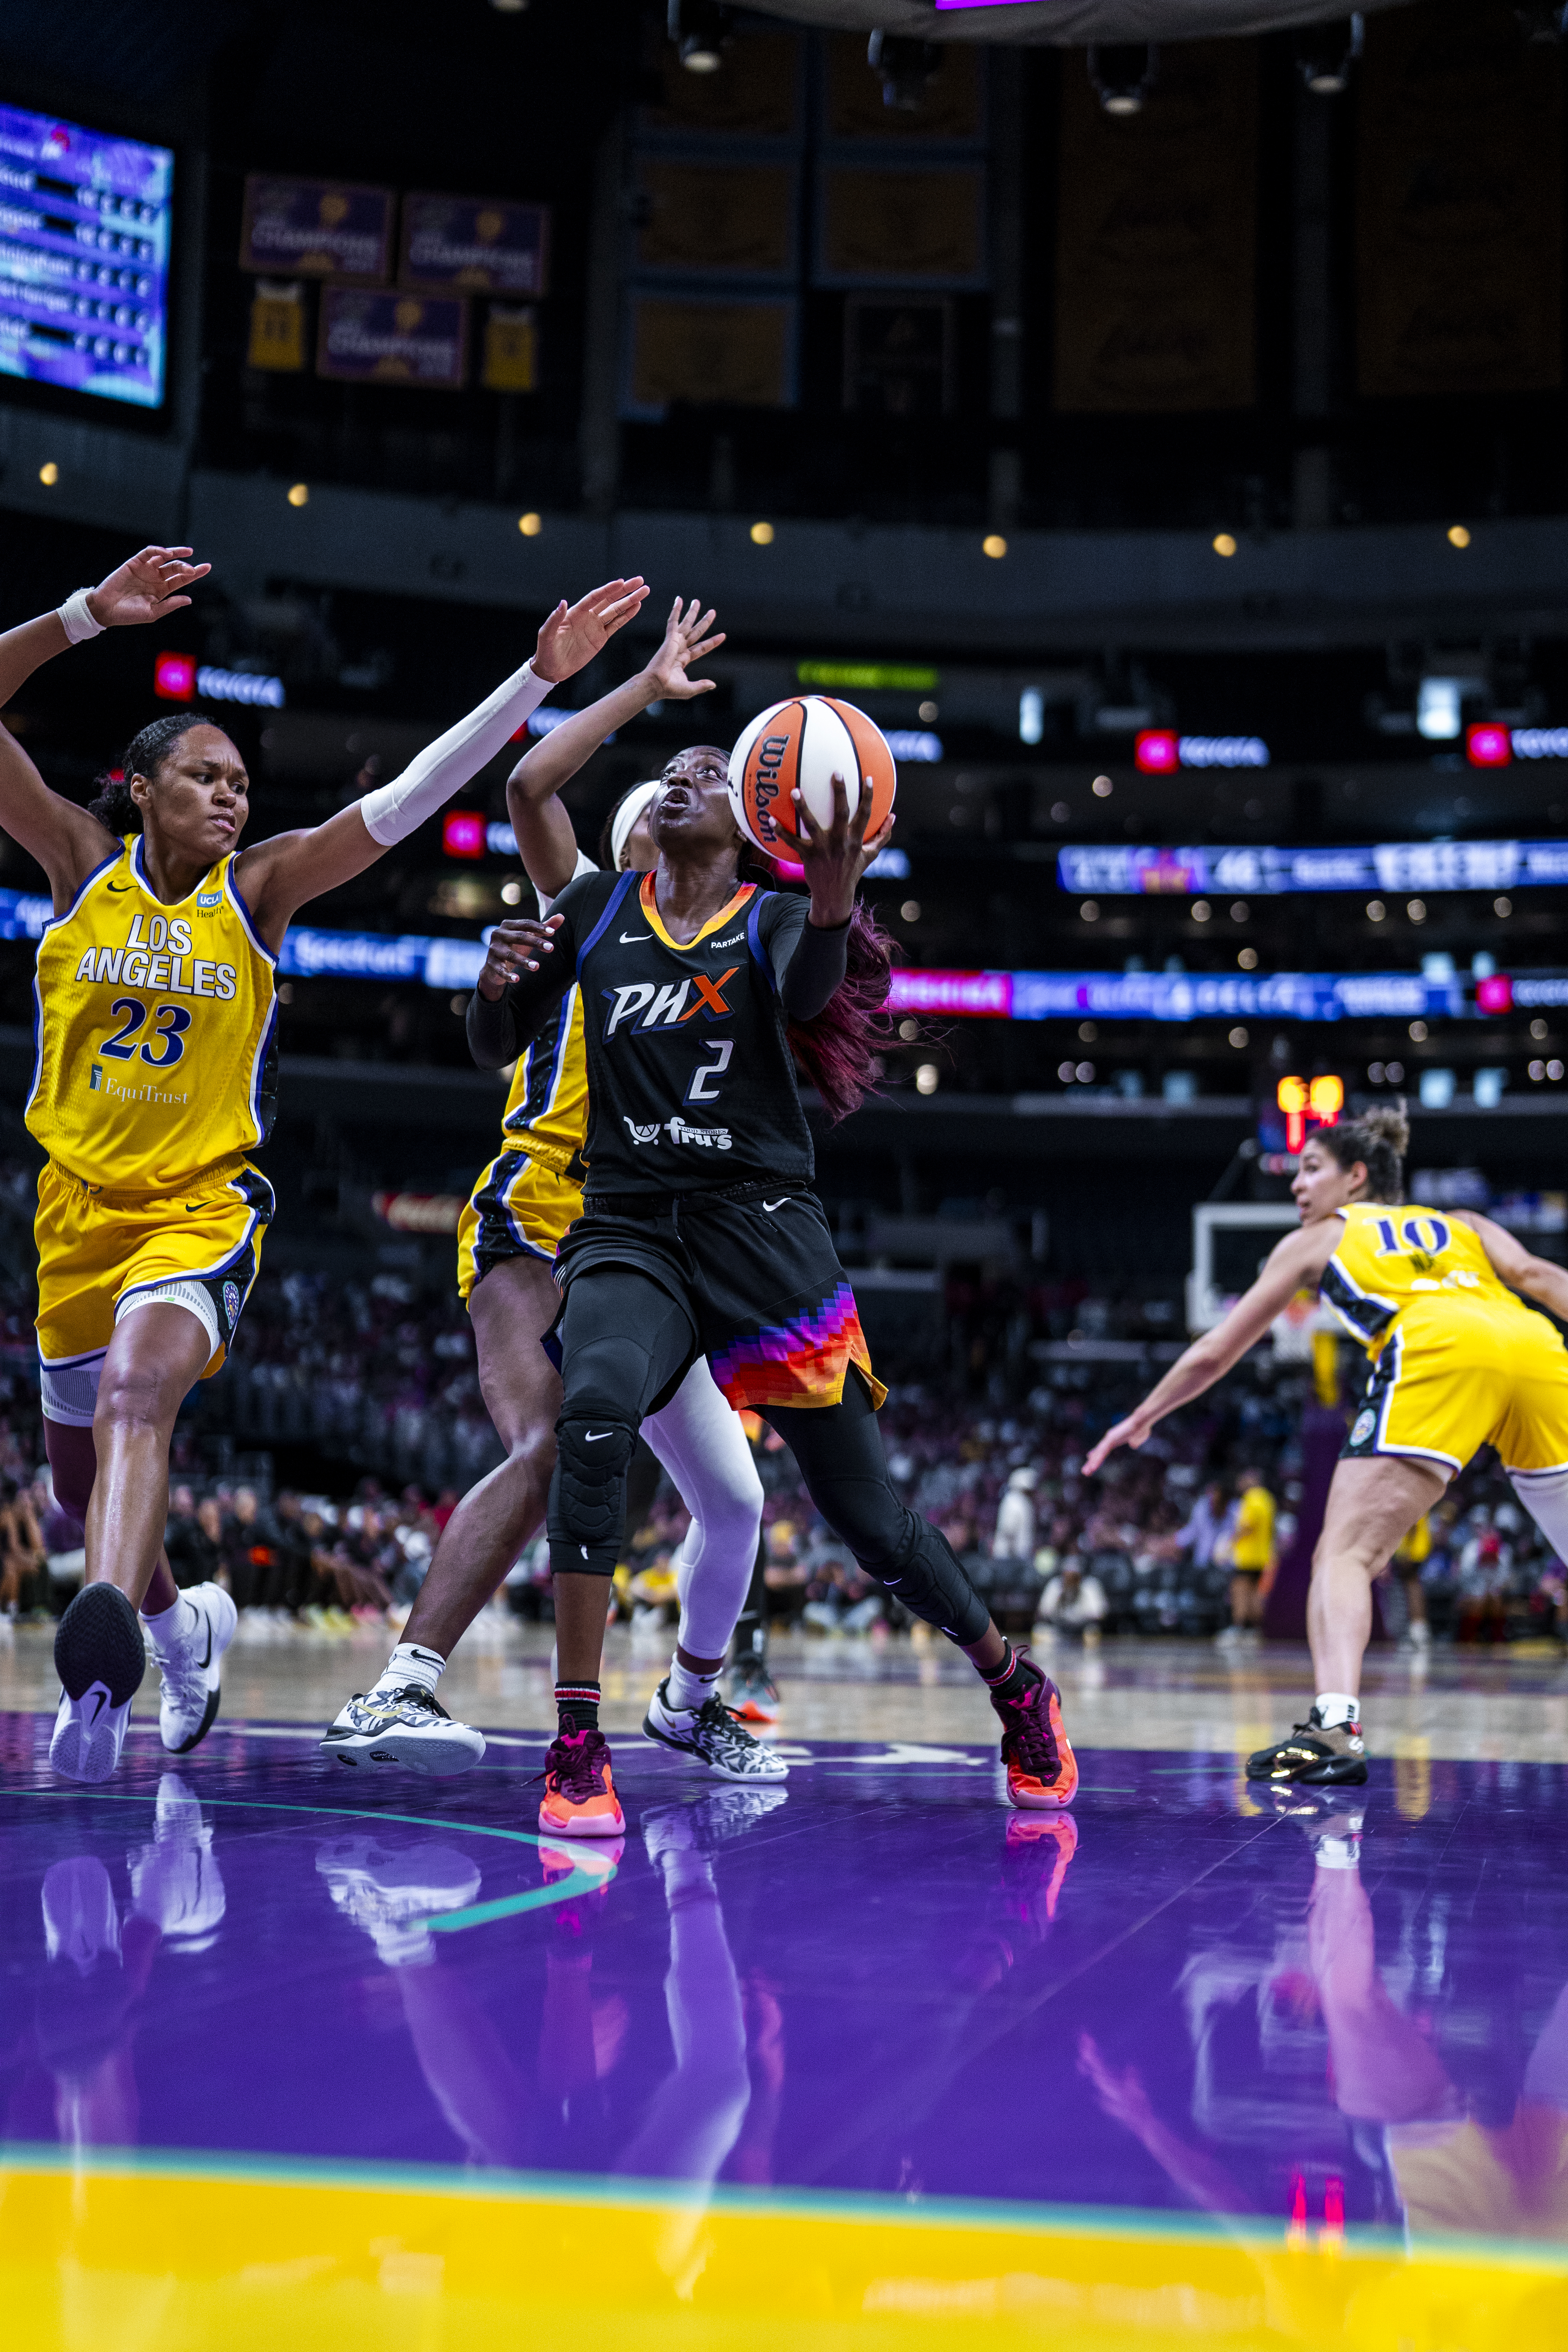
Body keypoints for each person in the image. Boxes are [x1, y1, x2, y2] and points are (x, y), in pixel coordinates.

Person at [0, 540, 648, 1782]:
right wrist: (85, 615)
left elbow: (406, 797)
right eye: (203, 775)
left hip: (200, 1209)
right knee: (81, 1486)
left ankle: (95, 1681)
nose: (232, 795)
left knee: (143, 1391)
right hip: (72, 1213)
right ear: (141, 789)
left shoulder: (261, 890)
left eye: (243, 778)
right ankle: (179, 1627)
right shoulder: (80, 865)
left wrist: (533, 677)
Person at [465, 741, 1080, 1833]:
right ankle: (576, 1741)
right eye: (676, 766)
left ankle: (1014, 1683)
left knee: (871, 1519)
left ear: (752, 823)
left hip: (762, 1234)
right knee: (596, 1413)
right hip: (632, 1227)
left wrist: (835, 908)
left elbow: (808, 992)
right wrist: (493, 989)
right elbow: (492, 1044)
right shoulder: (603, 908)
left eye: (710, 769)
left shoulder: (776, 919)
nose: (682, 774)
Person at [322, 598, 784, 1795]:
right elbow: (532, 791)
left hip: (641, 1251)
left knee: (734, 1503)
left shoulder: (726, 950)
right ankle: (402, 1680)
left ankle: (687, 1701)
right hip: (540, 1214)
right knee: (545, 1448)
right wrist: (643, 685)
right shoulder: (592, 905)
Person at [1085, 1106, 1568, 1785]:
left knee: (1345, 1555)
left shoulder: (1323, 1237)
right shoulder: (1465, 1225)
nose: (1297, 1186)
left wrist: (1143, 1414)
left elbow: (1220, 1349)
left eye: (1312, 1169)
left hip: (1441, 1349)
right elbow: (1543, 1281)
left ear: (1358, 1177)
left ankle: (1335, 1729)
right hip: (1537, 1350)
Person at [1215, 1466, 1275, 1651]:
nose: (1240, 1483)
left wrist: (1229, 1545)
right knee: (1254, 1594)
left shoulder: (1253, 1498)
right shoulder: (1267, 1498)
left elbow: (1248, 1526)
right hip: (1263, 1555)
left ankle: (1238, 1629)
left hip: (1248, 1556)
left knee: (1240, 1591)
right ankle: (1252, 1631)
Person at [993, 1465, 1038, 1561]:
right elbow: (1009, 1530)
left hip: (1017, 1557)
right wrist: (1013, 1557)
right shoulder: (1014, 1500)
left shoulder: (1019, 1500)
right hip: (1010, 1557)